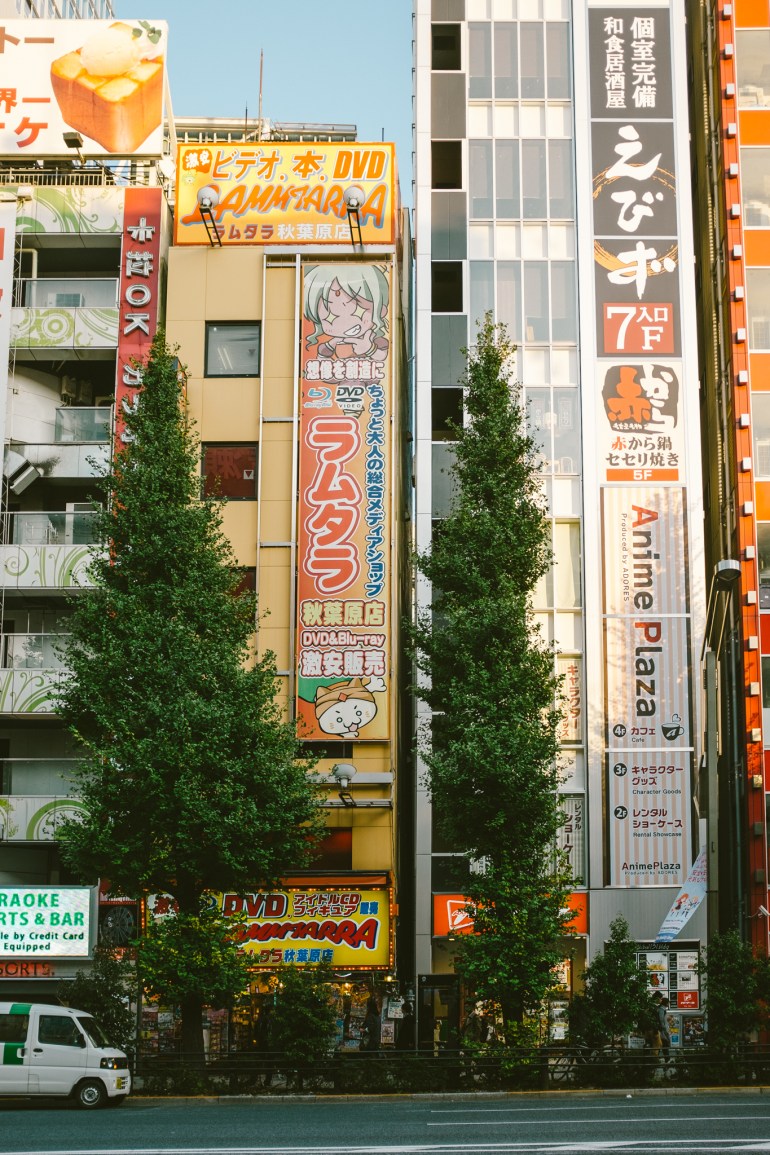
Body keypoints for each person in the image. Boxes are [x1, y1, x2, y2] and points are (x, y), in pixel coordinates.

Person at [657, 995, 672, 1063]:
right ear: (666, 1003)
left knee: (661, 1045)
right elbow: (661, 1020)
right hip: (662, 1031)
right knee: (665, 1044)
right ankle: (667, 1059)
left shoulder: (661, 1009)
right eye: (668, 1002)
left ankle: (664, 1059)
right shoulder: (661, 1010)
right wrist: (665, 1031)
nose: (669, 1004)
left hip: (661, 1030)